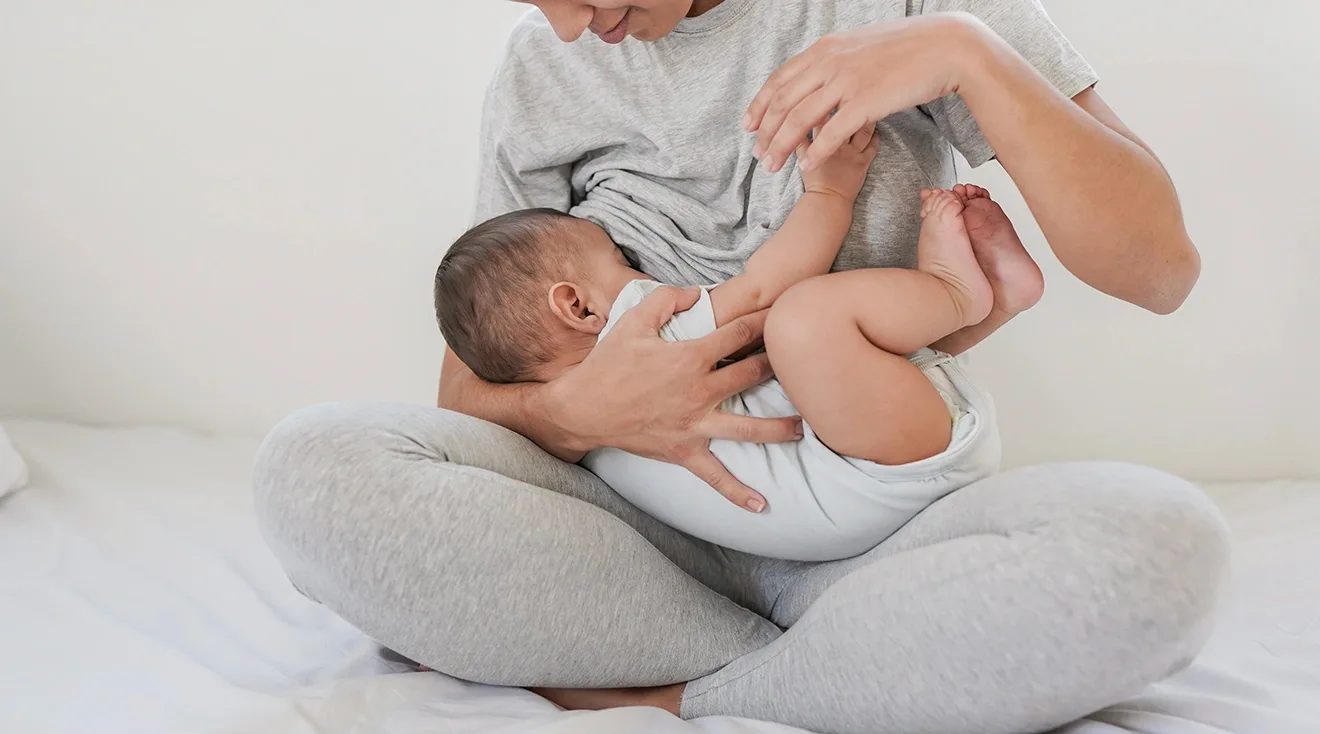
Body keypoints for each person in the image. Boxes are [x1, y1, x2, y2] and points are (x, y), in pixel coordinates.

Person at [252, 2, 1230, 733]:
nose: (564, 19)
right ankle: (814, 673)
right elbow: (468, 389)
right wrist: (586, 409)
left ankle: (681, 686)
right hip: (635, 544)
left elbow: (1162, 269)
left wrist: (966, 53)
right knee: (314, 463)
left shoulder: (907, 10)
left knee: (1161, 544)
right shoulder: (546, 66)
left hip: (874, 529)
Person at [434, 121, 1009, 562]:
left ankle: (997, 299)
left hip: (850, 508)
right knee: (800, 318)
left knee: (817, 357)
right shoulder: (634, 344)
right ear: (578, 307)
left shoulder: (583, 441)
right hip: (883, 474)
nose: (636, 267)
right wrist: (831, 192)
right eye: (620, 259)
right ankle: (959, 294)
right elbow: (764, 288)